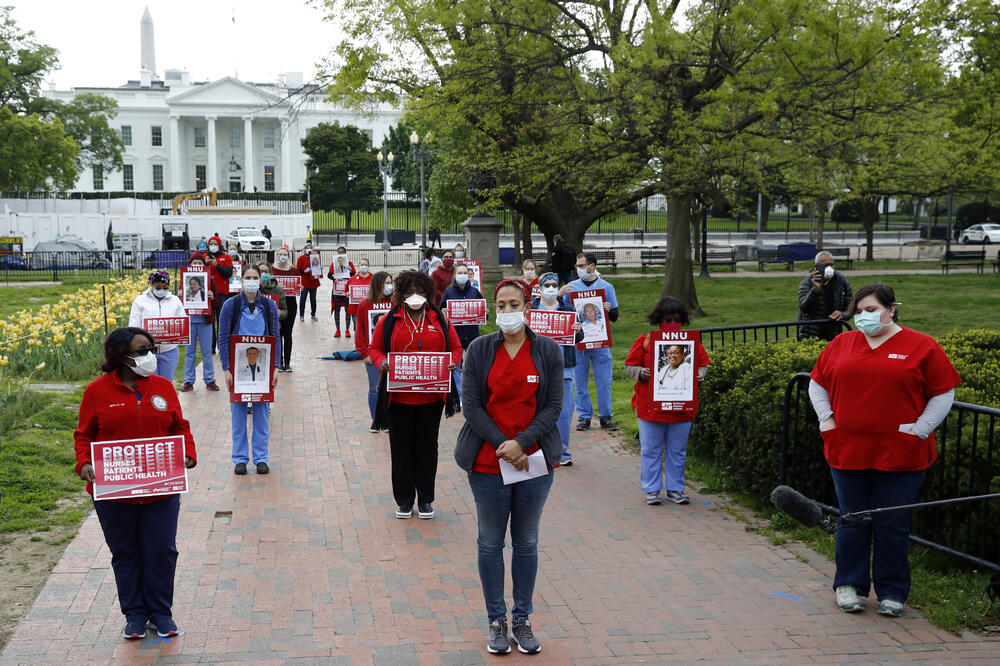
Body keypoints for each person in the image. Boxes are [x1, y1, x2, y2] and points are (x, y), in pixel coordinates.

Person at [808, 283, 960, 617]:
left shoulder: (922, 346)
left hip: (901, 452)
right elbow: (816, 383)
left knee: (892, 523)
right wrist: (826, 418)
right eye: (858, 311)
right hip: (848, 450)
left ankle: (892, 591)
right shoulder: (841, 343)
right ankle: (849, 585)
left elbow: (943, 392)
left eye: (871, 309)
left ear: (891, 309)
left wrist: (921, 428)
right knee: (853, 520)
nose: (864, 317)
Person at [456, 279, 563, 655]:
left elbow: (552, 406)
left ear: (527, 306)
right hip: (487, 463)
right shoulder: (480, 349)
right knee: (490, 542)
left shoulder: (548, 350)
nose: (507, 311)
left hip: (534, 460)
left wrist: (522, 443)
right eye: (500, 305)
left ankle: (522, 619)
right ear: (493, 308)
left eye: (514, 303)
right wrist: (505, 444)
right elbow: (470, 405)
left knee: (526, 541)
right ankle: (496, 621)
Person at [74, 327, 197, 640]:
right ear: (121, 356)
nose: (149, 355)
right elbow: (84, 435)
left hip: (161, 489)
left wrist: (188, 453)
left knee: (161, 550)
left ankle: (160, 612)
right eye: (142, 350)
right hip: (114, 493)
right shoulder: (96, 391)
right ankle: (135, 615)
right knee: (126, 553)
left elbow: (179, 426)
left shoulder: (162, 387)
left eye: (151, 348)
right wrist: (85, 463)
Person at [368, 270, 462, 520]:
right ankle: (404, 500)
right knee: (401, 449)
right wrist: (382, 363)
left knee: (427, 449)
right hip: (399, 398)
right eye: (409, 292)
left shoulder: (440, 320)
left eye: (420, 292)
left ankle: (426, 500)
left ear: (429, 294)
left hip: (431, 398)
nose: (415, 297)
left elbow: (455, 348)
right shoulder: (388, 320)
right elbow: (374, 349)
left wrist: (452, 362)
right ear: (400, 294)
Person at [624, 297, 710, 506]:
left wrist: (700, 373)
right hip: (651, 409)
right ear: (658, 319)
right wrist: (641, 373)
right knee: (650, 450)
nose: (672, 322)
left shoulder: (691, 342)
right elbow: (629, 366)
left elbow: (703, 364)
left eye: (676, 318)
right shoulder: (645, 340)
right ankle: (652, 490)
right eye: (667, 318)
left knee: (677, 451)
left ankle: (675, 489)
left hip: (681, 409)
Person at [219, 265, 282, 475]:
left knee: (261, 415)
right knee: (238, 416)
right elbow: (223, 338)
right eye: (248, 277)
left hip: (263, 368)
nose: (252, 280)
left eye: (255, 277)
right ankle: (240, 459)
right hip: (237, 369)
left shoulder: (269, 306)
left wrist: (276, 367)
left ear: (260, 280)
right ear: (242, 279)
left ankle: (261, 458)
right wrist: (226, 368)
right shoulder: (231, 305)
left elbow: (275, 336)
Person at [559, 252, 619, 431]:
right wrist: (559, 295)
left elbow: (615, 316)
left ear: (592, 266)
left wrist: (608, 310)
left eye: (582, 265)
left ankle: (605, 416)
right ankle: (584, 416)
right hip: (579, 343)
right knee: (580, 381)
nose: (579, 269)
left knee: (604, 381)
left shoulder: (606, 287)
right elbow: (560, 312)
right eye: (577, 266)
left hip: (600, 342)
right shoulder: (570, 287)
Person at [531, 272, 583, 465]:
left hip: (564, 369)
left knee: (564, 413)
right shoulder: (532, 309)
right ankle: (537, 450)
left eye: (554, 285)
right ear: (540, 288)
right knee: (536, 411)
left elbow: (579, 338)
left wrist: (578, 331)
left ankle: (561, 453)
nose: (551, 288)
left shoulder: (567, 309)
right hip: (537, 368)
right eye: (547, 285)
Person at [128, 271, 187, 382]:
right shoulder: (140, 301)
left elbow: (182, 323)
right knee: (148, 384)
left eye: (165, 287)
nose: (161, 290)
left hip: (169, 350)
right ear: (151, 285)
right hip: (147, 352)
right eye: (158, 287)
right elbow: (133, 326)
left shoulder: (175, 301)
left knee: (166, 383)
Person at [438, 262, 484, 397]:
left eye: (465, 273)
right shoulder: (448, 292)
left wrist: (484, 312)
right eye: (460, 273)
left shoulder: (475, 292)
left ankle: (473, 393)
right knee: (456, 366)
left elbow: (483, 312)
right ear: (454, 275)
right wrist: (443, 312)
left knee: (474, 365)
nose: (462, 275)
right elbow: (440, 311)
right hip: (455, 334)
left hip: (472, 334)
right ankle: (458, 394)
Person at [355, 270, 393, 430]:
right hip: (372, 354)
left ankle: (388, 420)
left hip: (392, 353)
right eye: (387, 283)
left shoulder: (396, 303)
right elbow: (361, 330)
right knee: (375, 387)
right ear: (378, 285)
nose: (390, 286)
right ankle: (376, 420)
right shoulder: (365, 304)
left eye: (391, 283)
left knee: (391, 388)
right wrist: (364, 353)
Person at [181, 253, 219, 392]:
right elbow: (179, 304)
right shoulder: (184, 280)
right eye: (194, 263)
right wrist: (180, 295)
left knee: (207, 351)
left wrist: (212, 297)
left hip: (205, 321)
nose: (197, 266)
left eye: (200, 263)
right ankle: (188, 380)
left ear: (204, 265)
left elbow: (216, 303)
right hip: (190, 320)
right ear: (189, 265)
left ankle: (209, 379)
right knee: (189, 352)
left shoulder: (210, 280)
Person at [798, 250, 853, 341]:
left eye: (831, 265)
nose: (829, 268)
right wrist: (815, 290)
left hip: (834, 333)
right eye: (825, 265)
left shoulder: (841, 281)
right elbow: (804, 308)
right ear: (816, 267)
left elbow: (851, 308)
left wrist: (842, 314)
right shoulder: (807, 283)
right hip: (811, 334)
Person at [204, 235, 233, 351]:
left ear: (220, 245)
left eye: (215, 244)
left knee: (222, 320)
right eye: (211, 244)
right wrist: (206, 264)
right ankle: (211, 348)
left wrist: (217, 265)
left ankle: (222, 346)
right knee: (210, 321)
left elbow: (228, 273)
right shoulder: (205, 257)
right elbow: (199, 273)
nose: (213, 246)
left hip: (222, 293)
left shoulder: (226, 257)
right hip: (208, 294)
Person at [270, 247, 298, 371]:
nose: (282, 256)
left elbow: (298, 284)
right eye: (280, 254)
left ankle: (287, 363)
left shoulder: (293, 270)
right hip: (276, 304)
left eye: (285, 254)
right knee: (277, 333)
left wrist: (299, 286)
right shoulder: (271, 270)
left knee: (288, 334)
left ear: (288, 256)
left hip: (291, 304)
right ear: (276, 255)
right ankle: (278, 362)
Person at [328, 246, 356, 337]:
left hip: (346, 290)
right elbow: (329, 275)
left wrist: (350, 270)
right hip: (337, 290)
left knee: (348, 310)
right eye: (339, 252)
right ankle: (338, 329)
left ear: (345, 253)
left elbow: (353, 275)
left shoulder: (349, 263)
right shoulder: (334, 264)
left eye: (342, 252)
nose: (340, 254)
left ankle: (347, 330)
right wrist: (334, 279)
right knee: (337, 310)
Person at [344, 257, 373, 339]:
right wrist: (347, 293)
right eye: (362, 264)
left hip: (369, 309)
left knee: (369, 328)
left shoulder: (373, 278)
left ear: (368, 266)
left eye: (365, 265)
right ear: (358, 266)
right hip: (356, 309)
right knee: (357, 328)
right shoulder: (352, 278)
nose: (364, 266)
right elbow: (346, 290)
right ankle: (359, 347)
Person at [257, 261, 288, 327]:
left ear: (270, 274)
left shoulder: (277, 290)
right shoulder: (252, 288)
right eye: (261, 271)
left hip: (272, 326)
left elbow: (284, 311)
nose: (263, 274)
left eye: (266, 272)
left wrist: (280, 313)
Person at [296, 241, 320, 322]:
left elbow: (317, 265)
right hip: (304, 283)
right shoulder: (301, 258)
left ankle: (313, 315)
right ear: (304, 249)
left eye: (310, 247)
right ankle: (301, 315)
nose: (309, 249)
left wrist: (319, 269)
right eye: (307, 248)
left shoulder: (314, 257)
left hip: (313, 282)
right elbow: (298, 270)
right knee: (303, 299)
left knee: (313, 299)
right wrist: (304, 271)